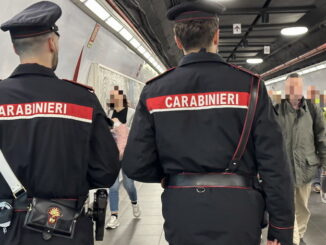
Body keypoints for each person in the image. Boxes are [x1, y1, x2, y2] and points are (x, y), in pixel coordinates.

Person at [122, 1, 294, 245]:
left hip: (182, 212)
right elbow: (275, 166)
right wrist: (281, 228)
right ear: (217, 36)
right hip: (240, 212)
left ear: (178, 41)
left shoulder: (155, 91)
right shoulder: (251, 88)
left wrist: (171, 175)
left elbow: (135, 164)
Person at [0, 1, 120, 245]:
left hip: (6, 230)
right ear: (52, 43)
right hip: (66, 229)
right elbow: (105, 173)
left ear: (15, 49)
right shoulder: (82, 100)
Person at [275, 73, 326, 245]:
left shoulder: (312, 109)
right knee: (287, 208)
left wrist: (325, 164)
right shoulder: (276, 109)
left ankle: (299, 235)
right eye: (290, 87)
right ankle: (294, 240)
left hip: (306, 168)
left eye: (297, 86)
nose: (294, 90)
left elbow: (322, 137)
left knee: (302, 208)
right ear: (285, 89)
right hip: (283, 169)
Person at [105, 87, 141, 229]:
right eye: (111, 96)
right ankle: (114, 217)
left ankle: (135, 202)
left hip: (127, 154)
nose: (114, 99)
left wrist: (119, 126)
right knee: (113, 187)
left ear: (122, 98)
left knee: (128, 184)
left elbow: (135, 132)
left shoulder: (132, 113)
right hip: (113, 155)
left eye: (116, 96)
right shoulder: (109, 113)